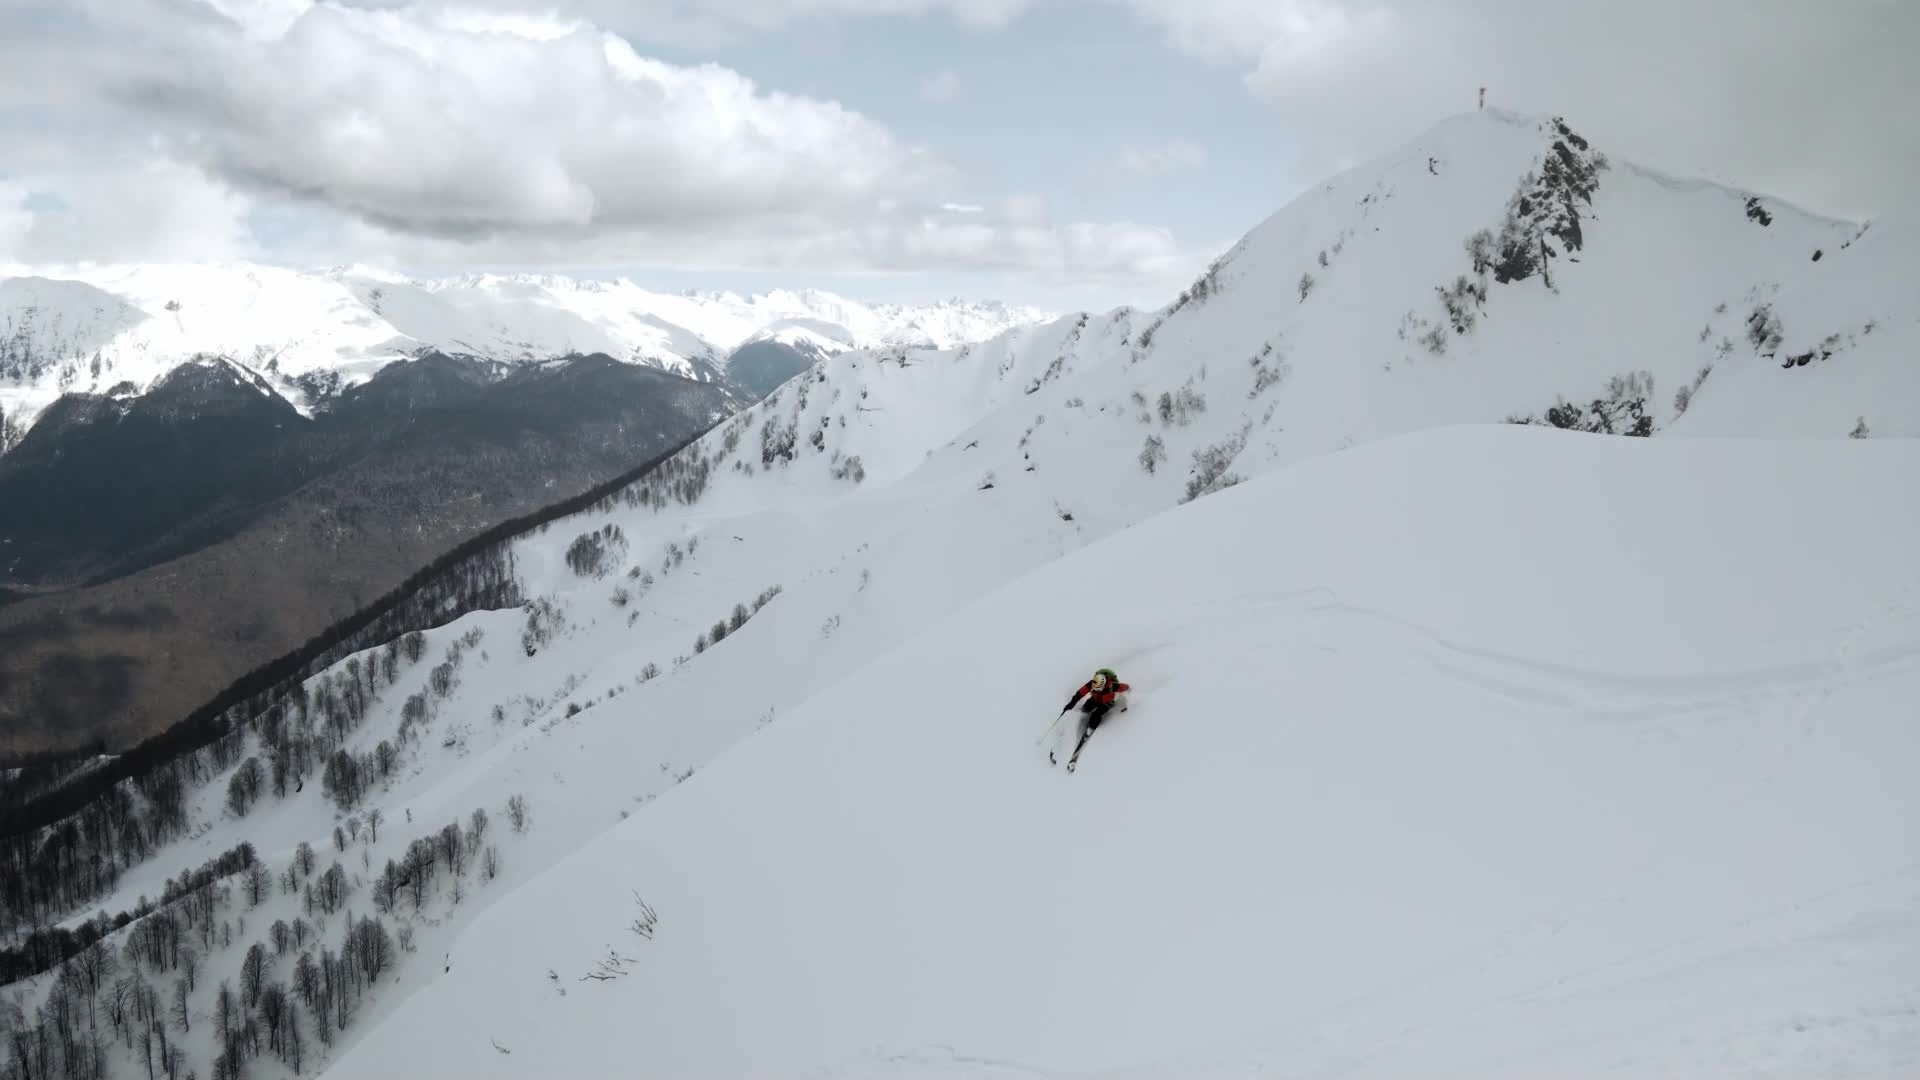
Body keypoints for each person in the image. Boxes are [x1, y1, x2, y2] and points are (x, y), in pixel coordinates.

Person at [1053, 668, 1130, 767]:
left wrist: (1127, 699)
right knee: (1086, 708)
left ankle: (1091, 728)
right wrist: (1070, 704)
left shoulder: (1112, 686)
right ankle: (1080, 719)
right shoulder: (1092, 683)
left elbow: (1125, 688)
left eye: (1099, 689)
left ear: (1103, 685)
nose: (1096, 689)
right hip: (1095, 699)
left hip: (1107, 703)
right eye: (1095, 688)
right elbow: (1079, 694)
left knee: (1096, 715)